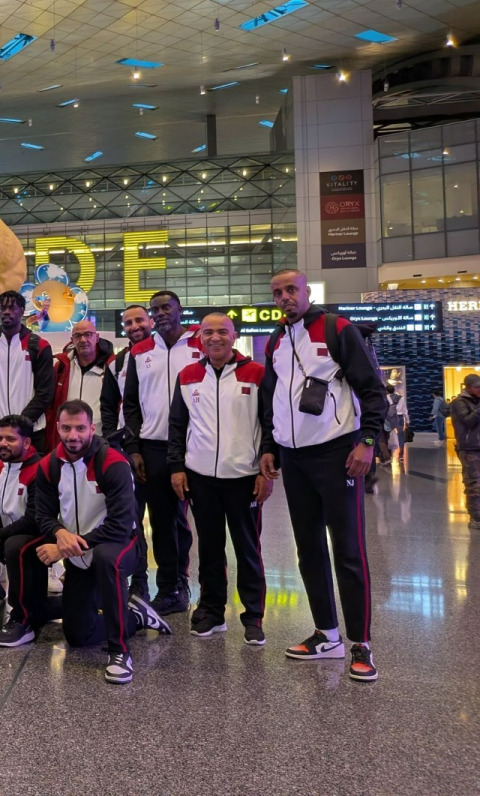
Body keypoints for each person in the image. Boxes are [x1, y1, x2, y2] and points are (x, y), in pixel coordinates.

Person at [260, 269, 386, 682]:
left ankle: (361, 645)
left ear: (306, 292)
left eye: (291, 290)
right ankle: (326, 634)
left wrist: (367, 440)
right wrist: (271, 449)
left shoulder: (337, 329)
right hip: (294, 460)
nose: (284, 297)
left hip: (337, 455)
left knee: (348, 550)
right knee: (308, 549)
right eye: (277, 292)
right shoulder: (278, 340)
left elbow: (372, 389)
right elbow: (274, 399)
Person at [34, 400, 171, 685]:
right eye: (67, 428)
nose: (73, 436)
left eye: (80, 428)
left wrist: (64, 547)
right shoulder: (49, 465)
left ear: (92, 428)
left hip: (120, 544)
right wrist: (60, 533)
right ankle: (135, 617)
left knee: (107, 559)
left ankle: (120, 651)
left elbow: (121, 524)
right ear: (57, 428)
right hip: (78, 551)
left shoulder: (113, 463)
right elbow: (43, 514)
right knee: (77, 635)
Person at [168, 313, 272, 644]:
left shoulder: (255, 373)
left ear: (234, 335)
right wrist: (177, 467)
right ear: (199, 337)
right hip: (201, 478)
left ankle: (253, 616)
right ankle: (212, 610)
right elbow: (177, 425)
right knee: (210, 548)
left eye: (222, 332)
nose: (215, 337)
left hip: (244, 479)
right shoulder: (187, 376)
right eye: (208, 332)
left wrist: (266, 472)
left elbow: (270, 425)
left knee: (247, 549)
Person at [121, 290, 201, 614]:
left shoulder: (199, 344)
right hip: (155, 447)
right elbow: (130, 404)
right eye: (156, 309)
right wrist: (135, 448)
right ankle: (170, 590)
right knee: (163, 521)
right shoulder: (140, 351)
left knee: (196, 523)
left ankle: (198, 587)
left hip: (198, 446)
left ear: (180, 309)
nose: (161, 313)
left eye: (167, 307)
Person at [0, 414, 51, 647]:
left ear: (27, 443)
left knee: (16, 546)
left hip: (41, 532)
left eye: (10, 439)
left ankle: (22, 620)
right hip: (11, 530)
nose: (2, 444)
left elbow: (34, 519)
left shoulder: (40, 469)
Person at [0, 290, 54, 462]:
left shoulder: (39, 346)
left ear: (22, 310)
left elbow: (45, 392)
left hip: (31, 431)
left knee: (33, 483)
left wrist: (22, 423)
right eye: (2, 308)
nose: (6, 312)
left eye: (12, 308)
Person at [46, 319, 115, 448]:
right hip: (67, 440)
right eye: (78, 336)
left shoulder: (111, 366)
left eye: (88, 334)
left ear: (97, 337)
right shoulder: (61, 366)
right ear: (72, 340)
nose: (83, 340)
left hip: (100, 439)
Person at [101, 304, 154, 444]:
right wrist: (111, 439)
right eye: (128, 323)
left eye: (139, 320)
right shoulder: (116, 363)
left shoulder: (165, 356)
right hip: (128, 441)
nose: (134, 326)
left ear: (151, 322)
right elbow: (108, 406)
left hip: (159, 439)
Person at [449, 374, 480, 531]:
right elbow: (468, 421)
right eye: (476, 387)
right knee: (474, 484)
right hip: (469, 448)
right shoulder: (458, 403)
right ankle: (476, 517)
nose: (479, 389)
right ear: (467, 388)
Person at [382, 384, 409, 464]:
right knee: (401, 436)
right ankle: (401, 455)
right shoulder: (401, 398)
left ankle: (387, 455)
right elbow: (405, 410)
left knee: (385, 436)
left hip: (388, 418)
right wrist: (407, 421)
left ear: (386, 391)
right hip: (399, 418)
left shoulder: (385, 398)